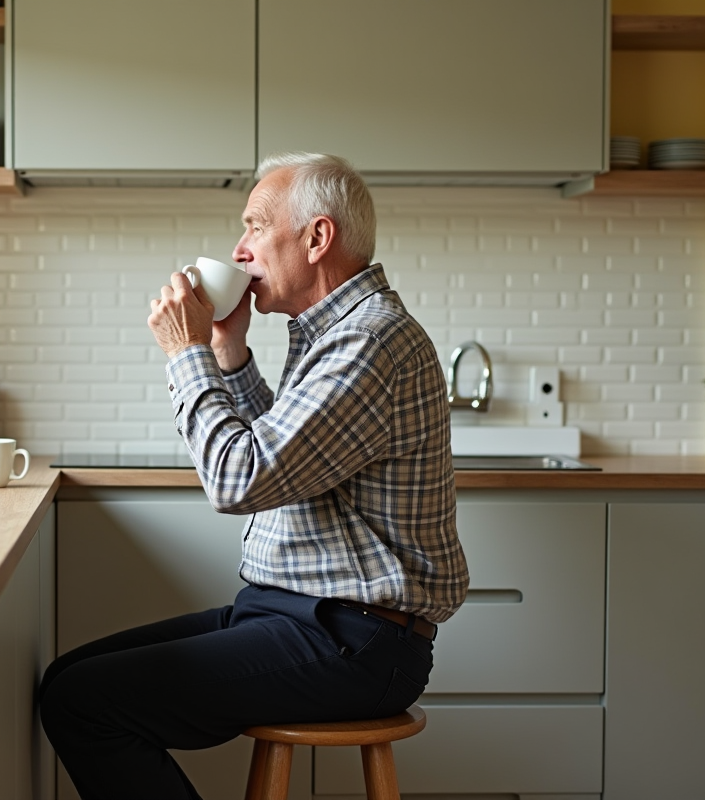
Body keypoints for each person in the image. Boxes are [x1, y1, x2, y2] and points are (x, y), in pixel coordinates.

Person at [39, 152, 469, 800]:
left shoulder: (370, 340)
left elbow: (240, 479)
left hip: (355, 639)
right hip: (295, 614)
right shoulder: (334, 334)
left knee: (82, 701)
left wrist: (186, 353)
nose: (239, 250)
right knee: (68, 679)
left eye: (255, 226)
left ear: (317, 238)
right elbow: (288, 460)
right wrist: (226, 351)